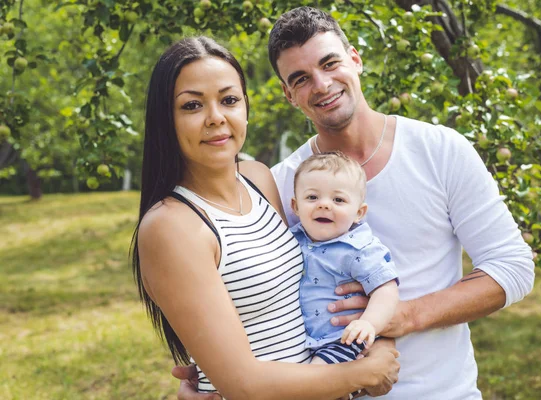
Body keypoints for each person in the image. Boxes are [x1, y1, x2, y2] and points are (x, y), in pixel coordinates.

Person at [174, 6, 535, 400]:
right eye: (301, 79)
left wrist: (400, 316)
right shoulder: (282, 185)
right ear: (288, 94)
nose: (322, 84)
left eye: (330, 63)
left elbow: (512, 267)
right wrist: (213, 372)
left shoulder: (439, 148)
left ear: (355, 59)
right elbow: (255, 293)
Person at [131, 35, 400, 399]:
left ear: (245, 106)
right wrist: (362, 372)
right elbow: (243, 384)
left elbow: (310, 283)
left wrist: (376, 341)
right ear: (166, 119)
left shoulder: (258, 178)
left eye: (229, 100)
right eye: (192, 106)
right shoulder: (171, 226)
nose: (216, 118)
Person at [290, 152, 399, 365]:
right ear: (295, 207)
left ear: (359, 212)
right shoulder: (291, 239)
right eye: (312, 197)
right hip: (303, 342)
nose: (324, 205)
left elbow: (386, 289)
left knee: (315, 379)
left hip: (343, 339)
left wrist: (369, 324)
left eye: (338, 199)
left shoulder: (359, 248)